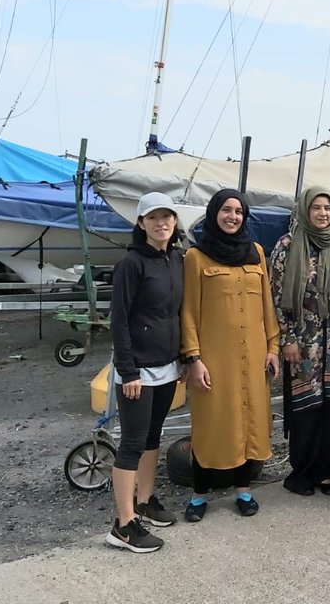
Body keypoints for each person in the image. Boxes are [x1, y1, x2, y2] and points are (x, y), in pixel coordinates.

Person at [181, 189, 280, 521]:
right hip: (214, 359)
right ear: (214, 213)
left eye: (238, 211)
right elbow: (189, 313)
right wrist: (193, 358)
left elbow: (267, 305)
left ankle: (243, 489)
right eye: (226, 210)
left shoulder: (256, 253)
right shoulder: (196, 257)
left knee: (249, 420)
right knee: (212, 422)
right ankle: (199, 494)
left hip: (252, 356)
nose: (233, 217)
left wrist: (272, 348)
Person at [105, 192, 183, 553]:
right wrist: (127, 370)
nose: (161, 223)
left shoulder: (175, 259)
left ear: (175, 222)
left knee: (154, 435)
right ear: (140, 223)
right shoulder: (131, 264)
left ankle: (145, 500)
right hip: (137, 370)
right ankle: (123, 524)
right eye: (153, 218)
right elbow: (119, 320)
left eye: (167, 217)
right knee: (133, 442)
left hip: (167, 366)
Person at [268, 187, 330, 496]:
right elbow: (277, 296)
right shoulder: (287, 246)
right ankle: (302, 473)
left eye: (327, 208)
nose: (322, 213)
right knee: (306, 407)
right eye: (316, 207)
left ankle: (326, 471)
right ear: (305, 210)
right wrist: (286, 338)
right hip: (302, 342)